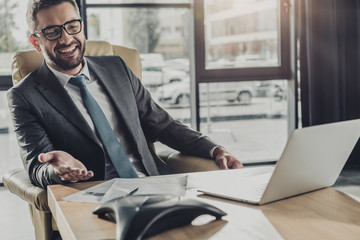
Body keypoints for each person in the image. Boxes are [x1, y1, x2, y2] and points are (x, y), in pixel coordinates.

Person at [8, 0, 243, 189]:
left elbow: (163, 125)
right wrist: (56, 170)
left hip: (155, 184)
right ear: (36, 43)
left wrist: (216, 149)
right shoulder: (24, 96)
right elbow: (36, 166)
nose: (66, 39)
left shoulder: (116, 68)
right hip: (95, 196)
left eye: (72, 26)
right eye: (51, 32)